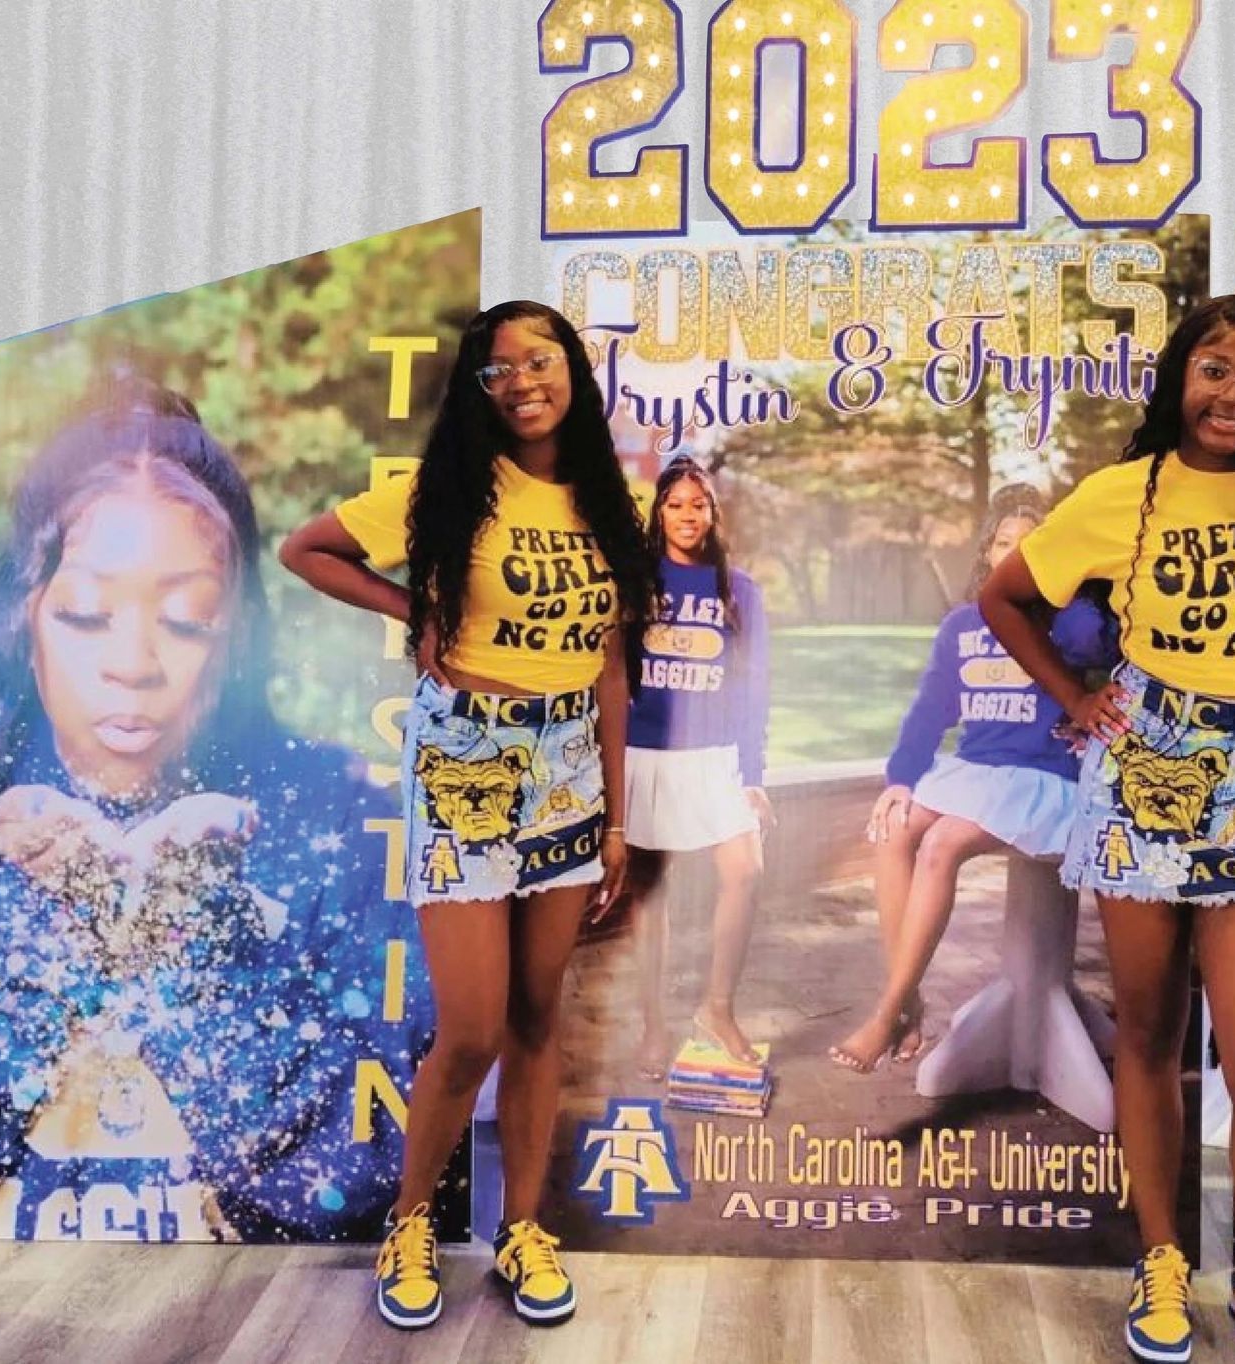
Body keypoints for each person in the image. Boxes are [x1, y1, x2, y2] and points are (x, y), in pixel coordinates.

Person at [980, 296, 1235, 1364]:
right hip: (1142, 786)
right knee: (1151, 1037)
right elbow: (1004, 598)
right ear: (1180, 376)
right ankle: (1160, 1256)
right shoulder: (1126, 493)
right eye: (1216, 369)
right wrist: (1076, 700)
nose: (1234, 395)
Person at [0, 381, 411, 1244]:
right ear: (25, 619)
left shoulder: (340, 816)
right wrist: (46, 926)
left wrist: (196, 930)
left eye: (187, 620)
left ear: (238, 637)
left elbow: (363, 1178)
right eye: (87, 614)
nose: (133, 663)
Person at [280, 301, 657, 1329]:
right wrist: (416, 609)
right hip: (466, 759)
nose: (523, 380)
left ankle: (522, 1230)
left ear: (571, 368)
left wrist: (615, 821)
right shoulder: (448, 487)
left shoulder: (612, 501)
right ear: (479, 388)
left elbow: (611, 670)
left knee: (538, 1016)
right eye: (500, 369)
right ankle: (409, 1223)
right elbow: (306, 549)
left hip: (569, 764)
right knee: (476, 1025)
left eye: (541, 359)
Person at [830, 484, 1111, 1073]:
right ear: (986, 552)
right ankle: (908, 1001)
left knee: (941, 843)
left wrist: (1071, 582)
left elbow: (1099, 635)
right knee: (895, 825)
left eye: (1031, 545)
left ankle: (885, 1013)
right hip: (977, 773)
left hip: (1041, 778)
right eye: (1004, 544)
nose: (1014, 555)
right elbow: (930, 711)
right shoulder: (962, 626)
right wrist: (900, 779)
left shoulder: (1068, 625)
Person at [623, 455, 774, 1075]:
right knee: (649, 894)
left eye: (699, 504)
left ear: (714, 513)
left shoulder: (740, 591)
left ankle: (717, 1008)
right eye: (676, 504)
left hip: (714, 759)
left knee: (744, 869)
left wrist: (754, 775)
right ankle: (653, 1025)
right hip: (645, 756)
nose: (687, 515)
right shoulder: (634, 581)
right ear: (659, 513)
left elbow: (753, 689)